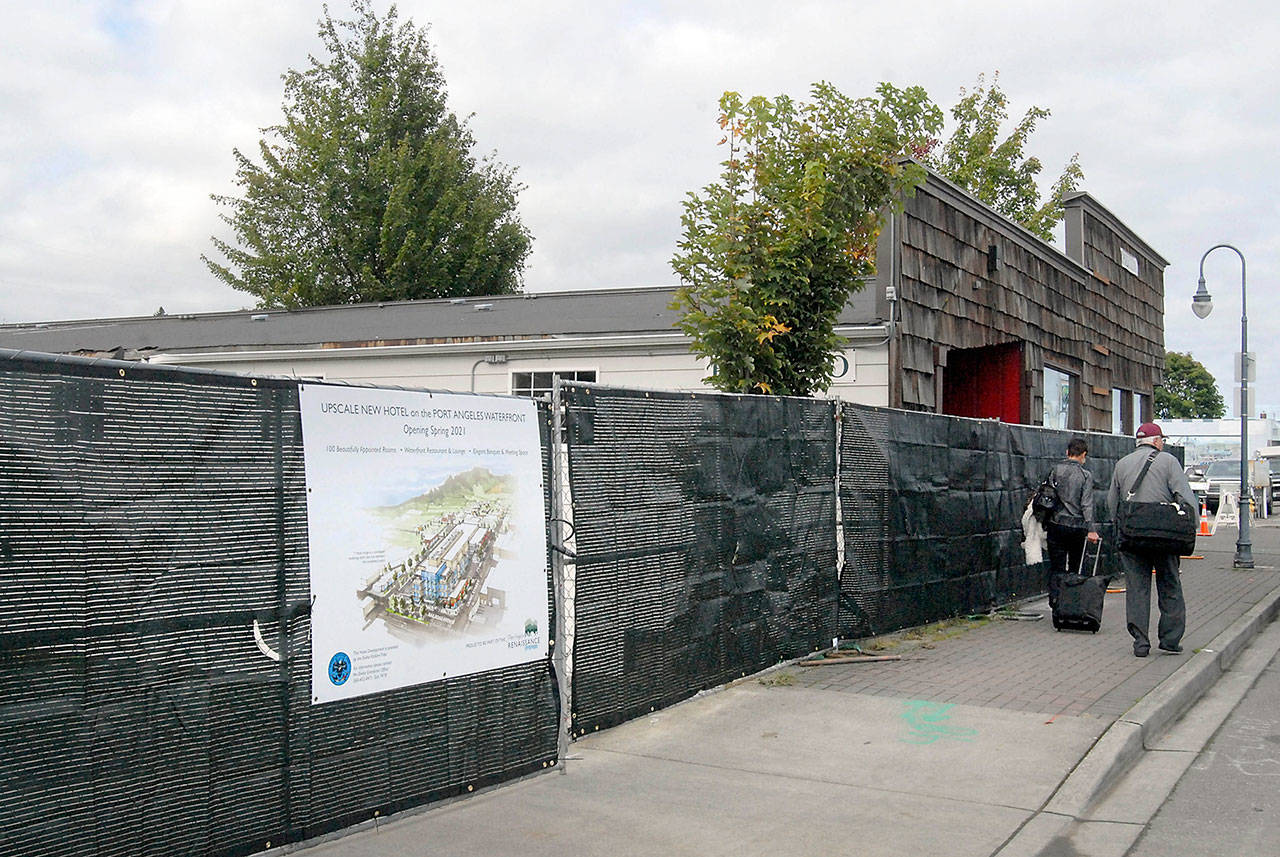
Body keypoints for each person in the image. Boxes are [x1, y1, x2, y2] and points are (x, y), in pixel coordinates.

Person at [1107, 421, 1197, 657]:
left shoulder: (1122, 464)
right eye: (1162, 441)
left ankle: (1140, 642)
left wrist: (1121, 527)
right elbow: (1184, 496)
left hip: (1133, 536)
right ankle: (1169, 639)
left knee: (1137, 588)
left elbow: (1111, 504)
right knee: (1169, 585)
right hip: (1164, 536)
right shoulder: (1168, 462)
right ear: (1157, 442)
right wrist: (1190, 525)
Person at [1045, 438, 1100, 611]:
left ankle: (1055, 601)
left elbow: (1047, 496)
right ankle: (1072, 603)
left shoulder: (1055, 470)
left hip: (1055, 524)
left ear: (1067, 452)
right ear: (1083, 455)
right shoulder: (1085, 475)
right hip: (1077, 527)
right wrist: (1091, 530)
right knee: (1077, 566)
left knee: (1056, 566)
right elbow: (1086, 505)